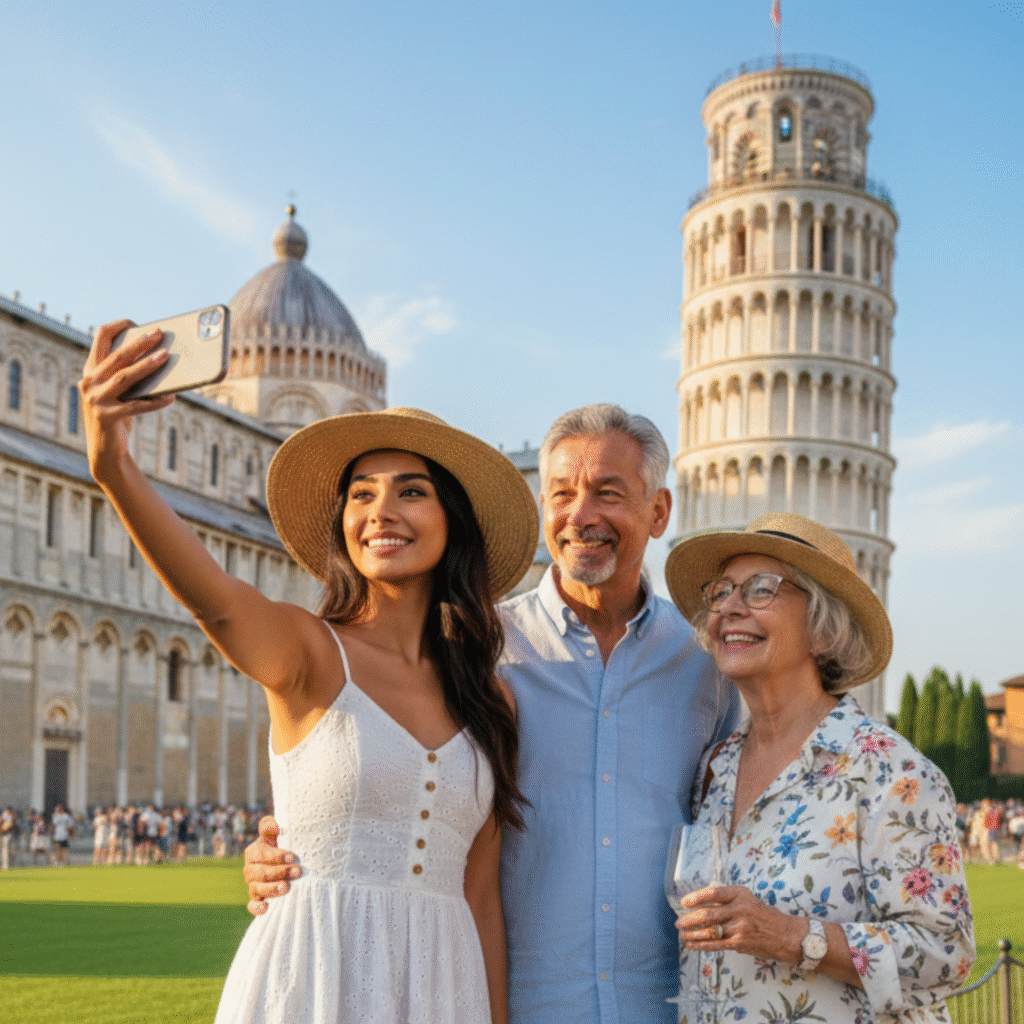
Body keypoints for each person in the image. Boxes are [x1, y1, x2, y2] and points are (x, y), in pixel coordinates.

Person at [81, 318, 540, 1023]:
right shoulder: (307, 653)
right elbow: (213, 597)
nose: (381, 510)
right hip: (310, 982)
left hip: (444, 993)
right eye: (361, 493)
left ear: (454, 519)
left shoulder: (491, 700)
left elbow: (480, 899)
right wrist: (113, 465)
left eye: (411, 491)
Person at [246, 403, 740, 1023]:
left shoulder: (707, 667)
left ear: (660, 511)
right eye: (561, 494)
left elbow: (737, 825)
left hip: (665, 1005)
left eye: (608, 493)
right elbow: (373, 772)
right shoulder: (471, 655)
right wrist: (287, 848)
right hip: (515, 1002)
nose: (581, 515)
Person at [664, 512, 976, 1024]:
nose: (729, 608)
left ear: (824, 630)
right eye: (721, 592)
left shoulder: (888, 772)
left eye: (761, 590)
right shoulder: (715, 768)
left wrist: (791, 936)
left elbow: (947, 954)